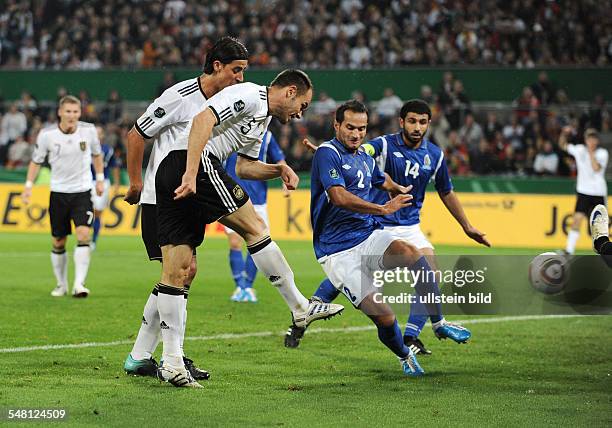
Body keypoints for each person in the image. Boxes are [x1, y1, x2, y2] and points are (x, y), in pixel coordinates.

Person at [157, 69, 344, 387]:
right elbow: (203, 121)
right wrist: (191, 172)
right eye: (303, 104)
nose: (301, 113)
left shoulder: (262, 119)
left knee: (180, 270)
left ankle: (171, 362)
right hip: (194, 163)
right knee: (256, 228)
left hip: (174, 169)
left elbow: (244, 167)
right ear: (289, 91)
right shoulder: (248, 95)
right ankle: (299, 306)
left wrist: (278, 168)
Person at [287, 99, 490, 353]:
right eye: (412, 121)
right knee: (355, 277)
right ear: (402, 122)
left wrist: (466, 226)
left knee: (429, 272)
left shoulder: (435, 155)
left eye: (423, 122)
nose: (417, 127)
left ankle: (412, 337)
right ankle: (307, 313)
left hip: (409, 225)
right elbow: (357, 156)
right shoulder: (382, 144)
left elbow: (446, 192)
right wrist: (326, 154)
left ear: (429, 124)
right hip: (379, 223)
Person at [123, 37, 250, 381]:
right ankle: (170, 359)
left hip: (189, 195)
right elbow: (136, 134)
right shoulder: (180, 96)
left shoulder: (226, 102)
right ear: (217, 66)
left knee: (184, 271)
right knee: (177, 272)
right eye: (236, 71)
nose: (240, 79)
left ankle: (142, 356)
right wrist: (135, 183)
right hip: (158, 197)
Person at [308, 99, 437, 376]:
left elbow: (380, 179)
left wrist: (397, 187)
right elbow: (338, 196)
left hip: (367, 236)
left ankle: (434, 320)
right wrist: (382, 208)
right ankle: (404, 353)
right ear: (337, 125)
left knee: (412, 254)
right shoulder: (327, 153)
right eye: (351, 127)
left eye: (362, 129)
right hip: (336, 250)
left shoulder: (364, 156)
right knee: (386, 316)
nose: (356, 134)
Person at [21, 95, 104, 298]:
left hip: (82, 191)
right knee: (59, 240)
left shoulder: (89, 131)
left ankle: (79, 284)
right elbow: (36, 161)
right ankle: (61, 284)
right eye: (68, 111)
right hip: (58, 193)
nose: (72, 116)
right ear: (60, 112)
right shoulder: (47, 135)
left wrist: (100, 178)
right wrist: (28, 186)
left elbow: (96, 154)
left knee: (84, 234)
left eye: (75, 112)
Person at [224, 130, 288, 303]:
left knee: (258, 244)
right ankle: (240, 287)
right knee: (235, 242)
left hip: (258, 199)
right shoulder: (231, 129)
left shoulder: (266, 136)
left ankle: (247, 286)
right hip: (230, 197)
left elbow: (280, 160)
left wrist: (285, 178)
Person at [559, 128, 608, 255]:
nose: (591, 141)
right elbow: (562, 145)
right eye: (589, 138)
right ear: (585, 140)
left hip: (598, 192)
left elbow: (596, 168)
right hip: (583, 192)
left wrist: (591, 153)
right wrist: (564, 133)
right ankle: (569, 250)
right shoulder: (580, 150)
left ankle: (604, 252)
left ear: (597, 141)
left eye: (594, 138)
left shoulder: (602, 153)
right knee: (576, 221)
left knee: (600, 227)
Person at [90, 126, 120, 250]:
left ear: (102, 135)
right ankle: (84, 238)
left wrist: (117, 182)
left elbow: (115, 166)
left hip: (103, 182)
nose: (97, 135)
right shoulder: (85, 149)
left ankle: (93, 241)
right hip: (87, 181)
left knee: (97, 212)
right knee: (85, 211)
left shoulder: (108, 150)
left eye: (99, 133)